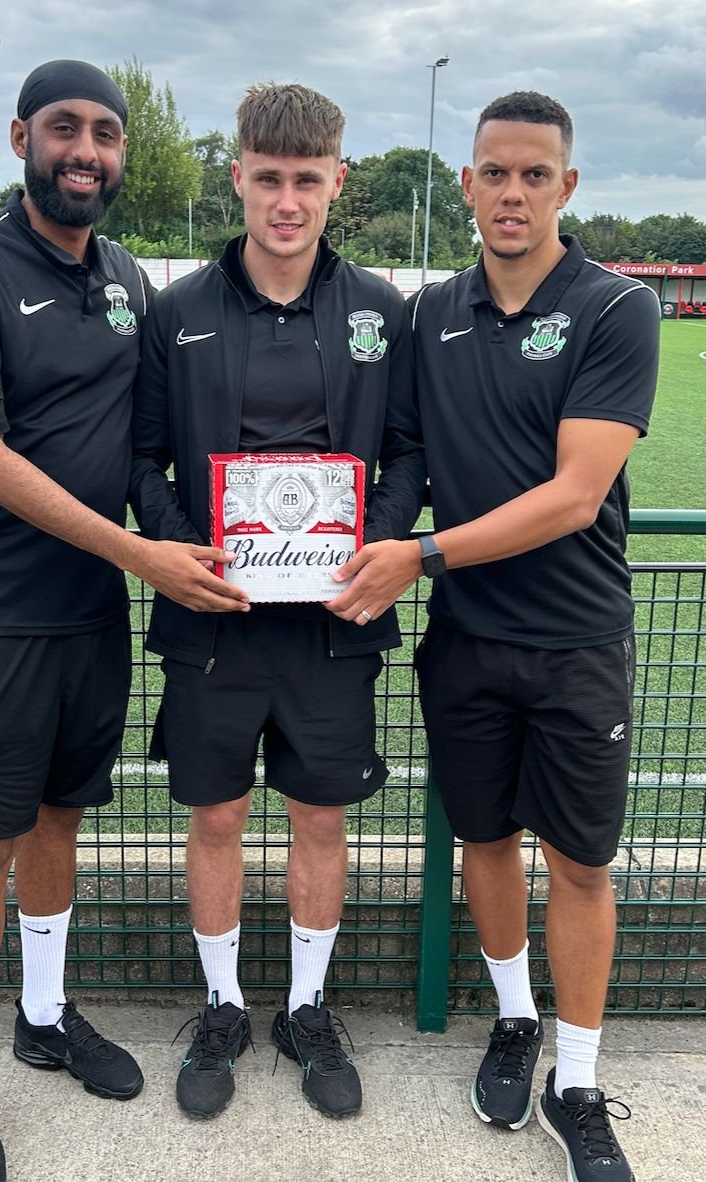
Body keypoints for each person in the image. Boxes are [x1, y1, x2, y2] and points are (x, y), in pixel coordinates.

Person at [0, 59, 247, 1182]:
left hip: (89, 620)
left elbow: (148, 436)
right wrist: (141, 554)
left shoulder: (127, 275)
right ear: (22, 139)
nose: (84, 149)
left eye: (104, 131)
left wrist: (241, 531)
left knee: (60, 824)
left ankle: (44, 1019)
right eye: (64, 127)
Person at [328, 91, 659, 1181]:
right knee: (484, 841)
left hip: (574, 642)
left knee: (580, 864)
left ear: (567, 185)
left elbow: (573, 496)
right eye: (495, 174)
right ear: (466, 184)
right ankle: (514, 1019)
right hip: (465, 643)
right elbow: (410, 453)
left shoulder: (615, 308)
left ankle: (578, 1080)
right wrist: (344, 537)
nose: (512, 194)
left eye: (534, 175)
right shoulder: (431, 313)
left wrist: (416, 556)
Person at [131, 82, 425, 1120]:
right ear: (239, 178)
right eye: (268, 179)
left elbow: (408, 453)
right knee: (216, 814)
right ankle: (222, 1008)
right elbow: (143, 457)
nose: (287, 201)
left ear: (337, 181)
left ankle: (304, 1009)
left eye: (306, 180)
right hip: (212, 615)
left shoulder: (382, 311)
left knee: (319, 816)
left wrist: (375, 545)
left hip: (333, 621)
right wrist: (178, 547)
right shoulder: (176, 313)